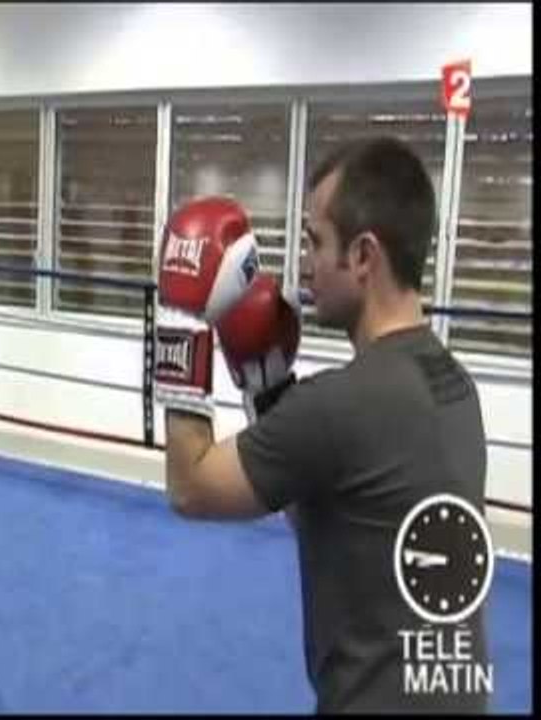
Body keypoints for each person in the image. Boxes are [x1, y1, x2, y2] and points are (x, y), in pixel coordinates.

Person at [154, 137, 489, 713]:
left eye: (314, 242)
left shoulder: (346, 402)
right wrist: (267, 384)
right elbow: (320, 499)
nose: (303, 264)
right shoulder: (453, 384)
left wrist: (180, 317)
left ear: (362, 256)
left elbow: (191, 487)